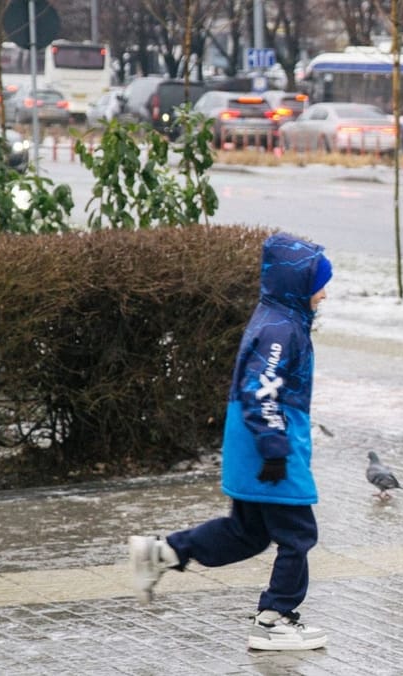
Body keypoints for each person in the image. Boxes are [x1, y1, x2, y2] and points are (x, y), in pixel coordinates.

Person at [128, 233, 332, 651]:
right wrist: (275, 450)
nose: (324, 294)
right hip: (268, 448)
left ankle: (164, 553)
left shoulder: (279, 317)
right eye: (318, 284)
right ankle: (273, 619)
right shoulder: (281, 329)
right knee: (297, 535)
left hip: (252, 441)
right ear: (298, 285)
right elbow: (262, 392)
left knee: (247, 532)